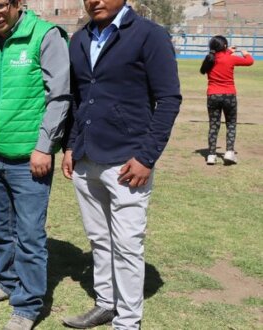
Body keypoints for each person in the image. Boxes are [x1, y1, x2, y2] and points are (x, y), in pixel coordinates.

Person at [61, 1, 181, 329]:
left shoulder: (149, 35)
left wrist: (146, 157)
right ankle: (105, 303)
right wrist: (70, 145)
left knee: (127, 243)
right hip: (86, 157)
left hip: (128, 162)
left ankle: (128, 321)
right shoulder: (80, 38)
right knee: (99, 238)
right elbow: (78, 98)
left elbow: (169, 98)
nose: (94, 1)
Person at [0, 0, 70, 328]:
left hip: (30, 158)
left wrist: (45, 146)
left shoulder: (45, 35)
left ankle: (27, 304)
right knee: (1, 230)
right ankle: (8, 282)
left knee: (29, 234)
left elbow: (59, 96)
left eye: (0, 5)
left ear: (16, 4)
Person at [199, 35, 254, 165]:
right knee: (231, 124)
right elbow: (249, 61)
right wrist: (245, 53)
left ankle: (211, 155)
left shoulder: (209, 59)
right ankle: (229, 152)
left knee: (214, 125)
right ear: (224, 46)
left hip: (213, 95)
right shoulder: (230, 59)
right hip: (229, 95)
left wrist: (228, 51)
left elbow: (220, 58)